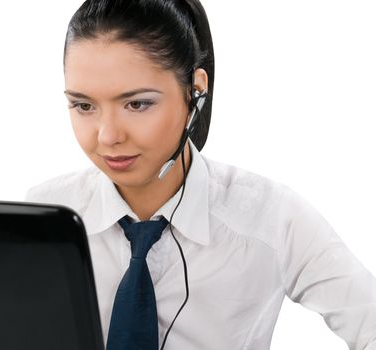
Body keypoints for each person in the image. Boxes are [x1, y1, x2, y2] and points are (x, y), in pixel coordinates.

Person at [25, 0, 376, 349]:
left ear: (196, 90)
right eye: (84, 106)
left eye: (137, 104)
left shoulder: (271, 217)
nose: (107, 136)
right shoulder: (43, 216)